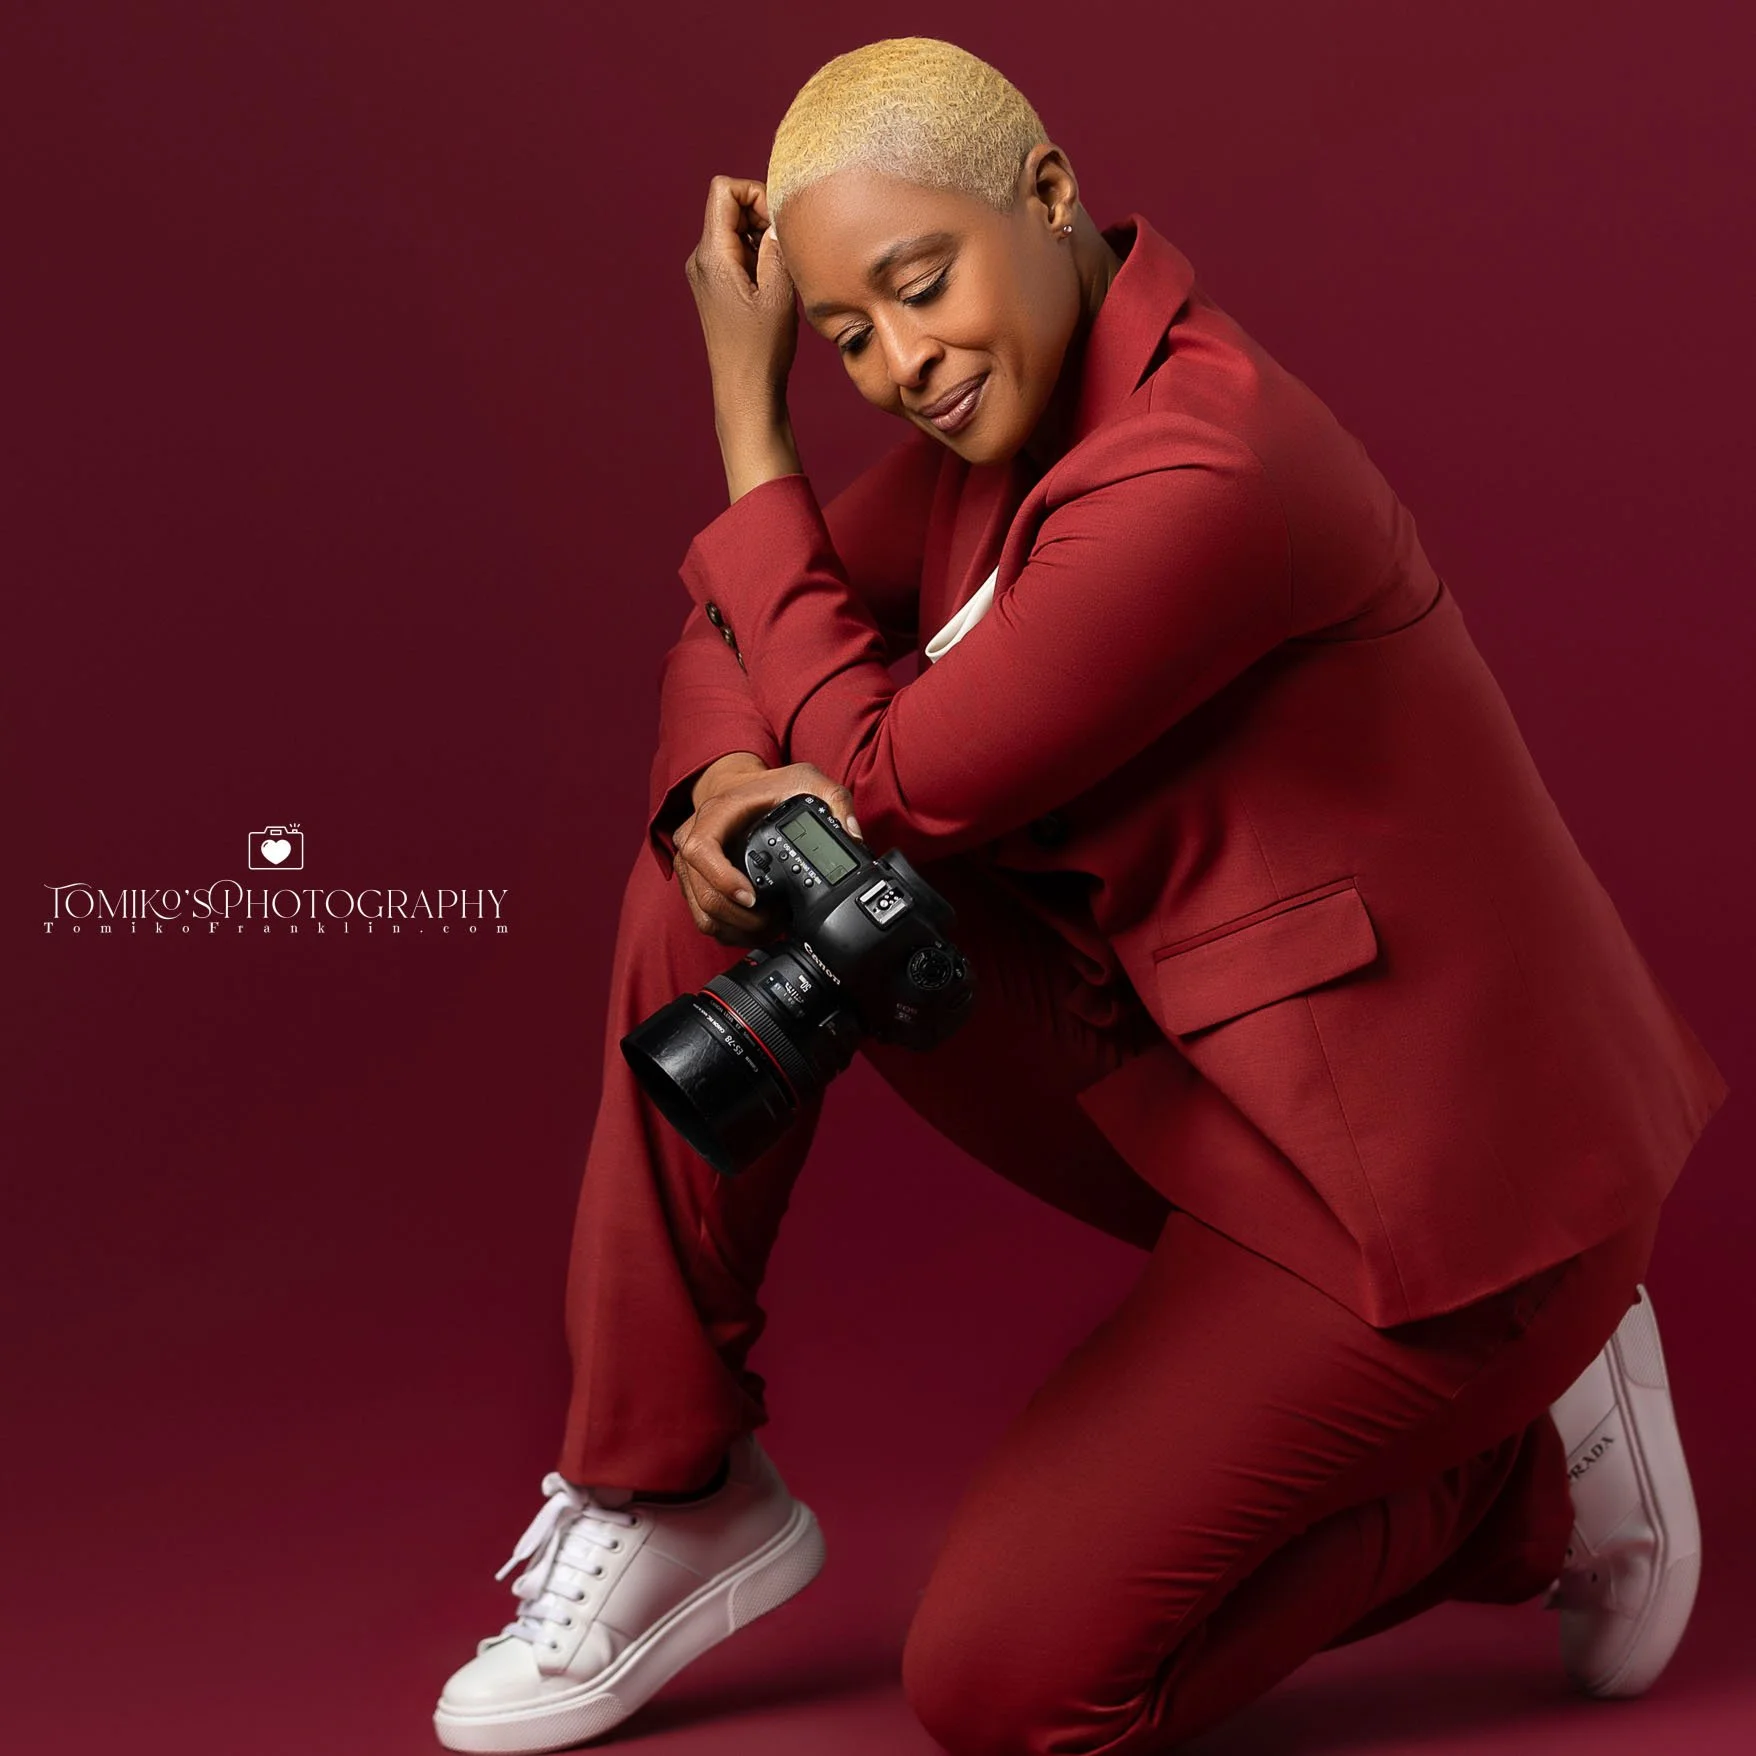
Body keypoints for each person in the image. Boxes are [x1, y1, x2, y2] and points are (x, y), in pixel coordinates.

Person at [433, 35, 1730, 1756]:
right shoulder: (1006, 408)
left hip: (1430, 1198)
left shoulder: (1215, 462)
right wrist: (720, 792)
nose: (902, 367)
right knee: (729, 886)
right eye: (843, 340)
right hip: (1210, 1061)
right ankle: (671, 1487)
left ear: (1046, 199)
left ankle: (1521, 1481)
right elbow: (741, 627)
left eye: (920, 288)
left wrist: (754, 423)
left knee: (1008, 1689)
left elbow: (896, 769)